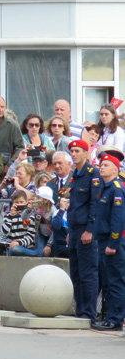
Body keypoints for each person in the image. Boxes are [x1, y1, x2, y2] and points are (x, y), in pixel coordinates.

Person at [67, 139, 101, 323]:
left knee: (88, 273)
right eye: (72, 151)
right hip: (74, 229)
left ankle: (89, 312)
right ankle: (80, 310)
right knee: (76, 273)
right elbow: (74, 205)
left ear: (86, 153)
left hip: (85, 230)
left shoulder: (92, 173)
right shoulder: (76, 174)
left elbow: (94, 204)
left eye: (78, 151)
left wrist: (89, 229)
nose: (74, 154)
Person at [92, 152, 125, 331]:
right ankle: (109, 316)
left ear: (115, 169)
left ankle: (116, 319)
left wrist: (113, 243)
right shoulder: (104, 188)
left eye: (105, 165)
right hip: (103, 240)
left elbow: (118, 220)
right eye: (101, 164)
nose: (101, 167)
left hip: (113, 242)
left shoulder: (116, 188)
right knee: (107, 281)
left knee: (115, 281)